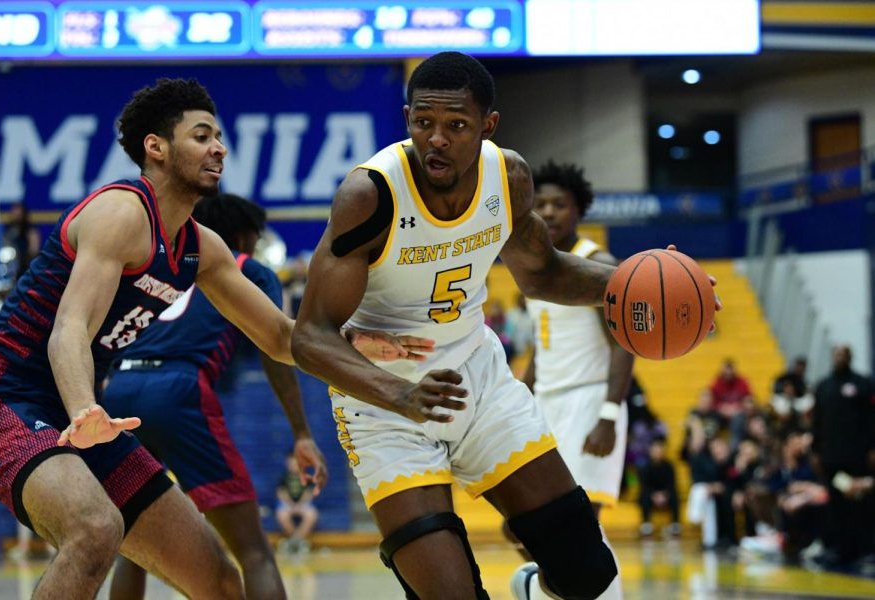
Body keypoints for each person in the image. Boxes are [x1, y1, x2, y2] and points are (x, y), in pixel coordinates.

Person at [0, 78, 428, 600]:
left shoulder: (199, 247)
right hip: (5, 399)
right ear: (156, 147)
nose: (219, 148)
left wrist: (356, 342)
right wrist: (83, 409)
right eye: (202, 136)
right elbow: (68, 331)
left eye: (219, 136)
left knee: (218, 580)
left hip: (84, 414)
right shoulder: (120, 213)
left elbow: (282, 337)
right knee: (95, 530)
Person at [291, 52, 718, 600]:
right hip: (385, 405)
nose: (436, 139)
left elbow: (544, 272)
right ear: (406, 119)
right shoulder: (370, 195)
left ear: (488, 126)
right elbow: (310, 336)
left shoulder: (508, 176)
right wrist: (402, 395)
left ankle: (531, 588)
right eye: (423, 123)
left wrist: (639, 287)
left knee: (589, 573)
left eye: (456, 125)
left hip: (478, 379)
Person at [102, 193, 327, 600]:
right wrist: (301, 432)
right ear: (243, 236)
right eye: (256, 240)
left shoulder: (157, 269)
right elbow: (276, 352)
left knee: (132, 548)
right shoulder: (246, 270)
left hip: (118, 391)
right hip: (177, 390)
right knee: (254, 551)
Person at [516, 160, 634, 599]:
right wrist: (520, 393)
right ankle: (542, 587)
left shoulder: (597, 263)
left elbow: (625, 343)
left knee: (583, 523)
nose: (548, 212)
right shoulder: (534, 267)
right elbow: (544, 350)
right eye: (540, 203)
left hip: (589, 403)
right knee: (533, 522)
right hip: (546, 402)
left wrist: (608, 413)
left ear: (578, 210)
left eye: (559, 204)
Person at [810, 345, 875, 570]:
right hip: (831, 459)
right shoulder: (823, 386)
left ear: (850, 357)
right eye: (835, 354)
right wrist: (816, 451)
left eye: (843, 354)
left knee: (859, 503)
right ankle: (840, 549)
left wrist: (871, 448)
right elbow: (817, 421)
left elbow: (870, 419)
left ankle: (865, 550)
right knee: (836, 505)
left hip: (857, 458)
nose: (838, 357)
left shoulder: (862, 384)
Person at [276, 453, 319, 555]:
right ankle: (296, 540)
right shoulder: (283, 477)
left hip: (303, 504)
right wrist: (290, 503)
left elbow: (308, 493)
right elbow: (281, 492)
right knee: (282, 515)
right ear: (287, 463)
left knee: (311, 515)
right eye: (292, 462)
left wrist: (300, 503)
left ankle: (295, 540)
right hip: (287, 504)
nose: (294, 464)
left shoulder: (307, 476)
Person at [637, 438, 680, 538]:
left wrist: (664, 495)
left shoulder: (669, 466)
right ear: (650, 451)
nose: (657, 453)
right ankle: (646, 524)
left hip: (665, 495)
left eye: (660, 450)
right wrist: (654, 495)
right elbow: (645, 485)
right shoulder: (645, 466)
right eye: (655, 450)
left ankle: (675, 524)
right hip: (650, 495)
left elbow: (671, 484)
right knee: (644, 496)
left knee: (675, 496)